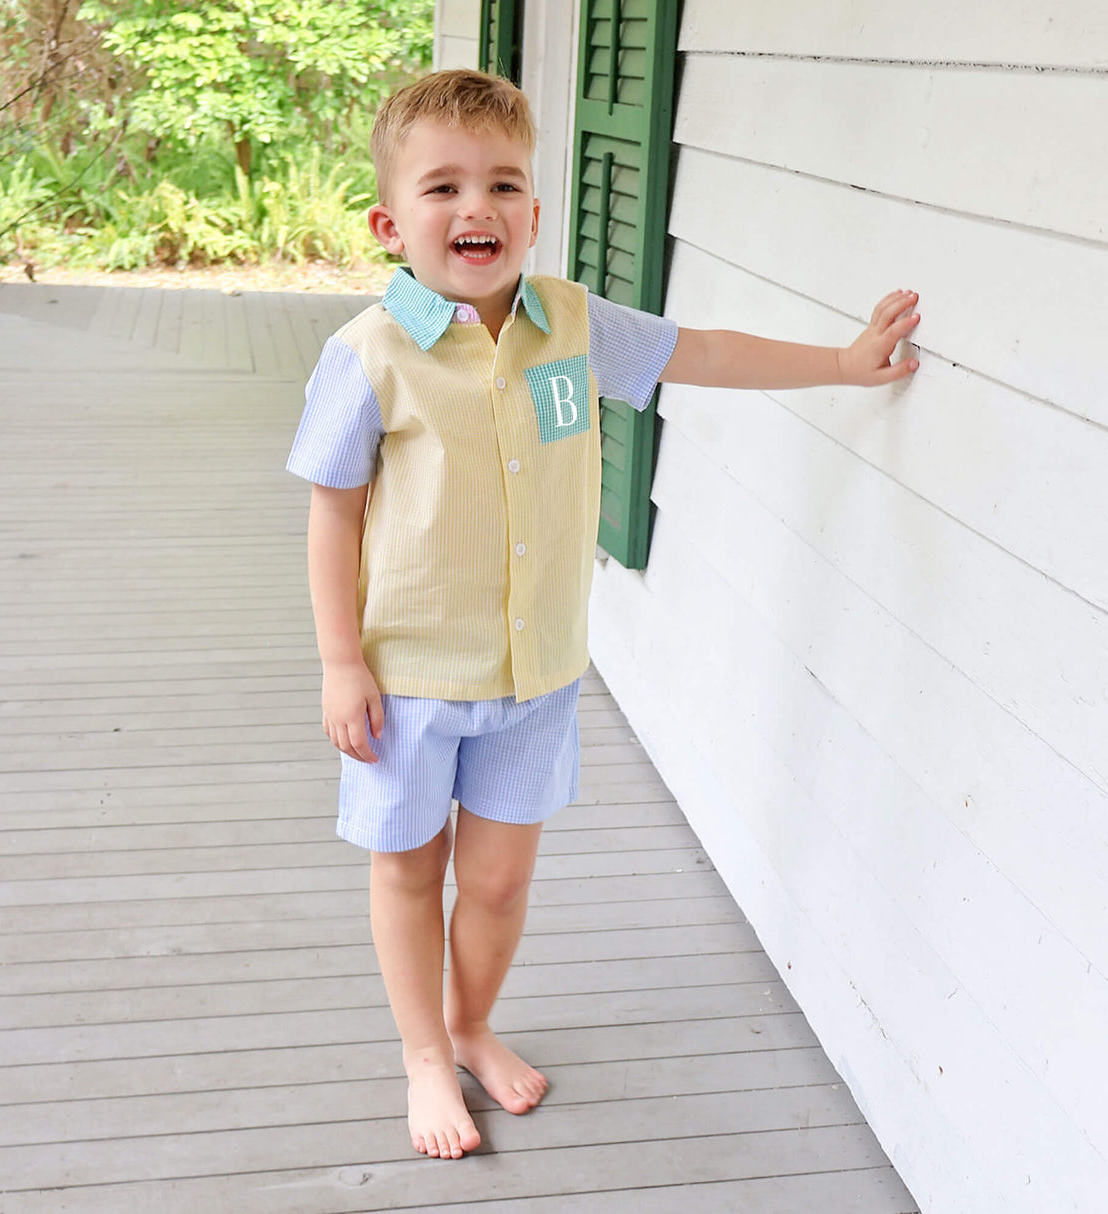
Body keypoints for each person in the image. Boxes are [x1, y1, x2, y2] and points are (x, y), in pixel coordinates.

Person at [285, 68, 920, 1162]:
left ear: (535, 211)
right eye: (442, 187)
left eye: (502, 185)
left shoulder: (569, 325)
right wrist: (341, 663)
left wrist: (843, 366)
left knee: (495, 877)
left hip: (536, 676)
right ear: (392, 223)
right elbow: (331, 514)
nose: (474, 207)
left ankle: (473, 1024)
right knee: (408, 867)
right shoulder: (367, 357)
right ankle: (423, 1052)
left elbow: (703, 353)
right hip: (411, 680)